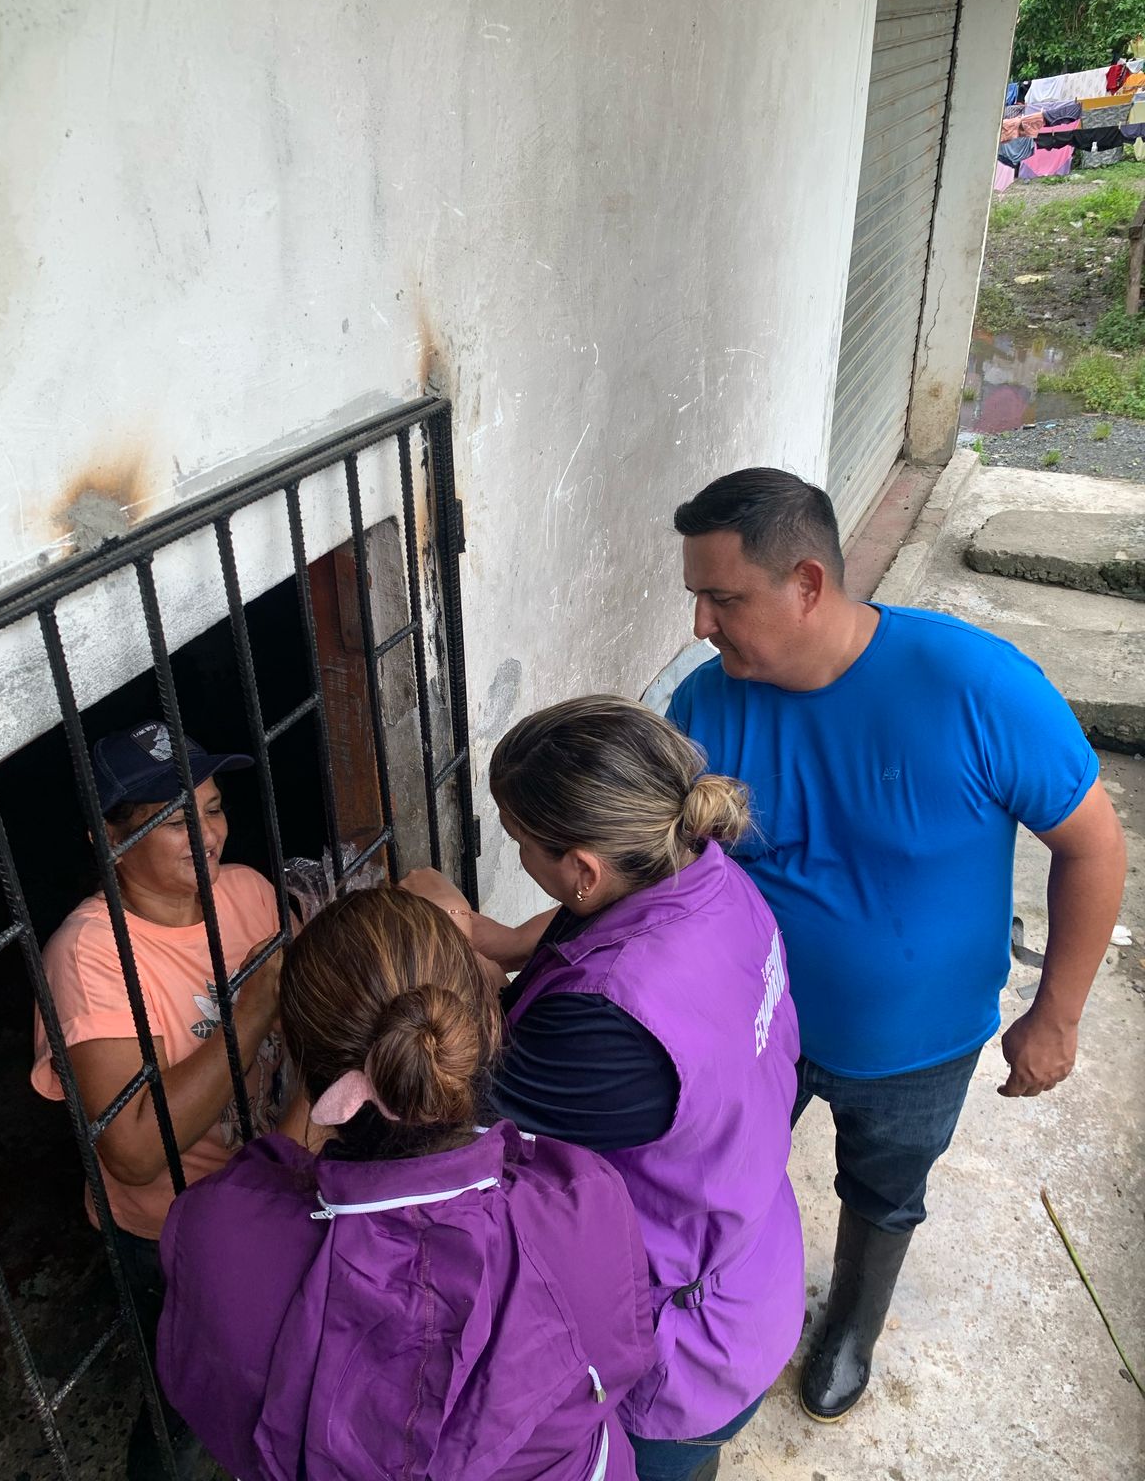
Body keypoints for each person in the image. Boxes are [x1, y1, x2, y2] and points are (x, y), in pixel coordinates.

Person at [667, 468, 1126, 1423]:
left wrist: (1057, 1014)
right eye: (697, 599)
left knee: (885, 1185)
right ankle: (731, 1305)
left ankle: (852, 1324)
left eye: (723, 599)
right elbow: (663, 872)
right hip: (757, 1029)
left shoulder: (976, 687)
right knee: (725, 1170)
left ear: (806, 584)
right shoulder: (705, 709)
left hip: (920, 1044)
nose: (701, 625)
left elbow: (1092, 846)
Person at [405, 697, 804, 1481]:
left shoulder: (611, 1024)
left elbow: (456, 1111)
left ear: (584, 871)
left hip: (683, 1346)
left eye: (520, 842)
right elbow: (580, 931)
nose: (518, 854)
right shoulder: (702, 871)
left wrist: (437, 951)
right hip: (752, 1255)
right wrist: (479, 933)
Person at [156, 886, 655, 1481]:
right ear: (482, 1028)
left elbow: (217, 1407)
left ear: (302, 1065)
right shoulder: (581, 1201)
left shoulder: (218, 1236)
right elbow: (620, 1360)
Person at [31, 719, 285, 1476]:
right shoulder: (89, 955)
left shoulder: (247, 891)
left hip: (271, 1185)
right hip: (170, 1229)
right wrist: (255, 1003)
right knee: (187, 1401)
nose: (207, 835)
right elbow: (136, 1152)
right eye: (176, 820)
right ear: (107, 840)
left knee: (278, 1358)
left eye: (213, 807)